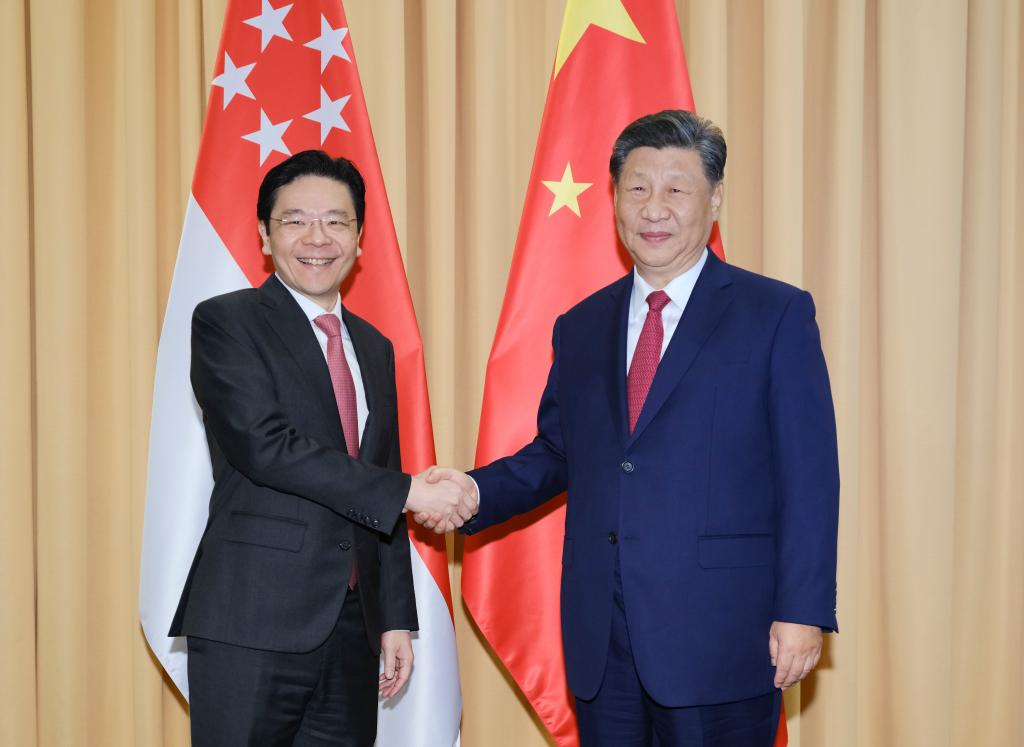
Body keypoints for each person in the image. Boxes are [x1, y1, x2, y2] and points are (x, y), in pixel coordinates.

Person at [426, 110, 839, 746]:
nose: (654, 208)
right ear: (615, 198)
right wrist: (475, 493)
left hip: (722, 635)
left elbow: (809, 476)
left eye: (677, 188)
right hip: (603, 637)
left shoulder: (774, 314)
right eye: (637, 187)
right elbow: (560, 452)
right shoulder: (581, 325)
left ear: (715, 198)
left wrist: (803, 611)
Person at [170, 150, 476, 746]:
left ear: (360, 237)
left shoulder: (375, 346)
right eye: (295, 221)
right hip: (250, 619)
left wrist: (393, 621)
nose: (318, 237)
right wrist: (414, 492)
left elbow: (377, 479)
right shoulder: (226, 322)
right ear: (264, 234)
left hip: (351, 631)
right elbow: (267, 446)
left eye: (337, 221)